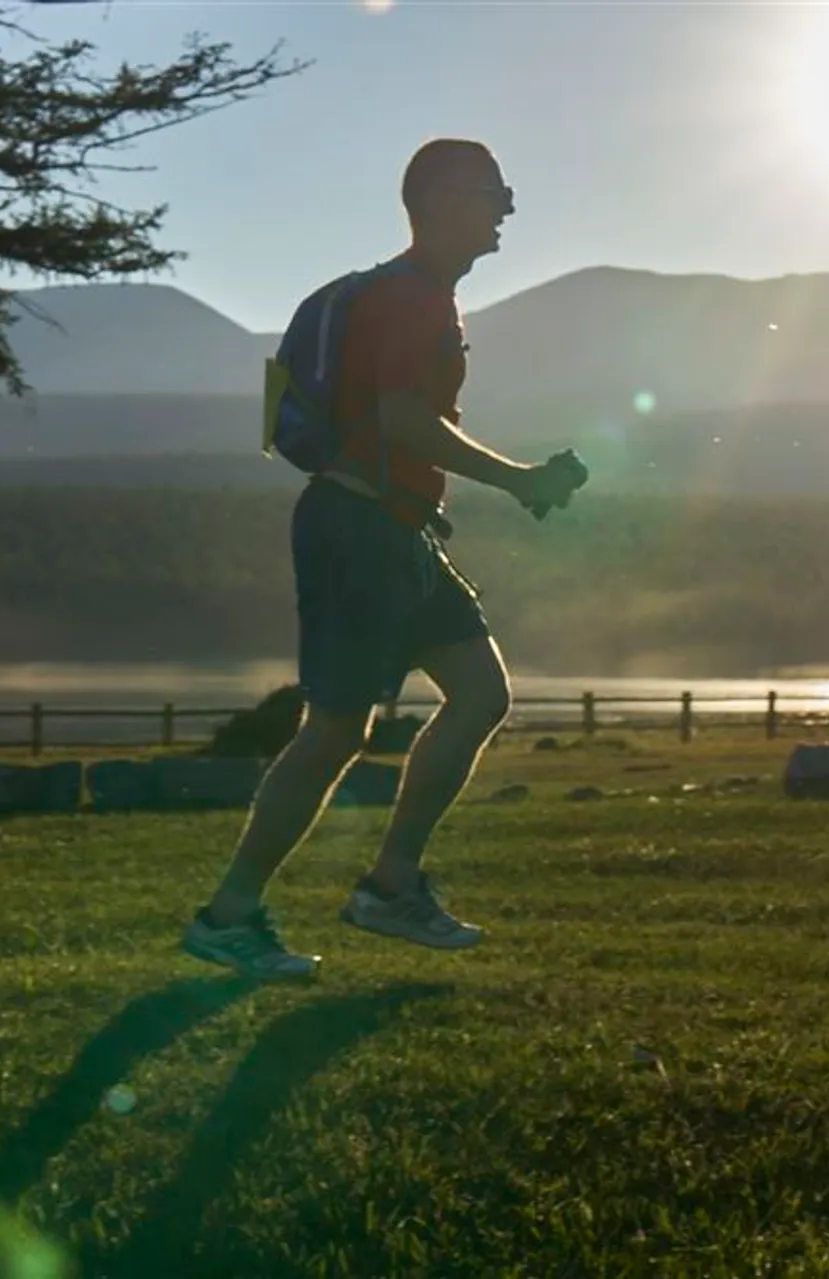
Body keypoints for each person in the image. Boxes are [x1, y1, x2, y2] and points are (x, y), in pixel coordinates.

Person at [181, 138, 586, 981]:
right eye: (493, 193)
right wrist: (517, 481)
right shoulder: (411, 299)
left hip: (397, 532)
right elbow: (402, 419)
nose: (507, 209)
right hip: (358, 532)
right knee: (335, 730)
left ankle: (390, 883)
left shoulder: (424, 297)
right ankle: (229, 915)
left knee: (480, 695)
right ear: (440, 201)